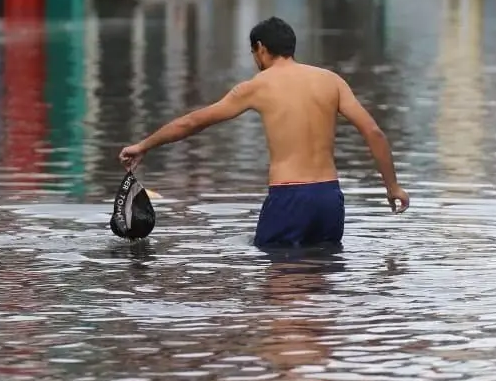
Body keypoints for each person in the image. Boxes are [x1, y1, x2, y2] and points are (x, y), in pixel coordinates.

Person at [119, 17, 410, 249]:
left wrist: (144, 145)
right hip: (329, 197)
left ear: (260, 48)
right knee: (320, 292)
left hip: (289, 197)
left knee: (280, 302)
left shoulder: (257, 86)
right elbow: (374, 132)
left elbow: (193, 122)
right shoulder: (331, 81)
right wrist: (392, 187)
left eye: (253, 52)